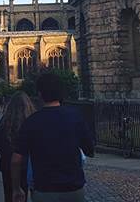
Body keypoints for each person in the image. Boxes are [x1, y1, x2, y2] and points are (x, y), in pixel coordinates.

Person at [11, 73, 94, 202]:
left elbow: (16, 160)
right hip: (73, 189)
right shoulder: (75, 117)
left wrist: (16, 188)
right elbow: (89, 150)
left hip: (44, 190)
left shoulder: (31, 122)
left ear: (40, 94)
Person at [0, 92, 37, 202]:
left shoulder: (5, 121)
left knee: (9, 196)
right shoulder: (33, 121)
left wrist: (7, 152)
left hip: (7, 166)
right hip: (27, 166)